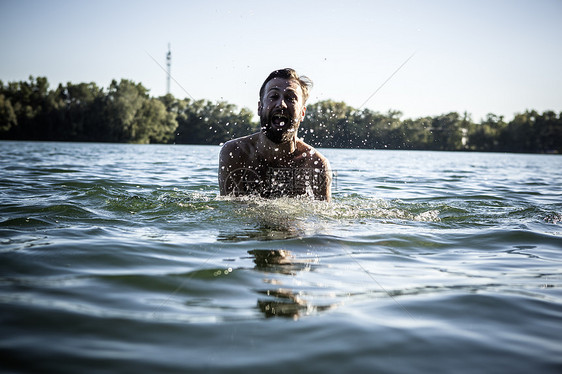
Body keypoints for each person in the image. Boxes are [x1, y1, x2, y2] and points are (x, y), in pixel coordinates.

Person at [218, 68, 332, 201]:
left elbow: (323, 218)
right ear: (260, 107)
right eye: (273, 96)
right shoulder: (236, 153)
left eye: (290, 98)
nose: (281, 104)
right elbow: (229, 214)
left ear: (302, 113)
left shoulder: (316, 164)